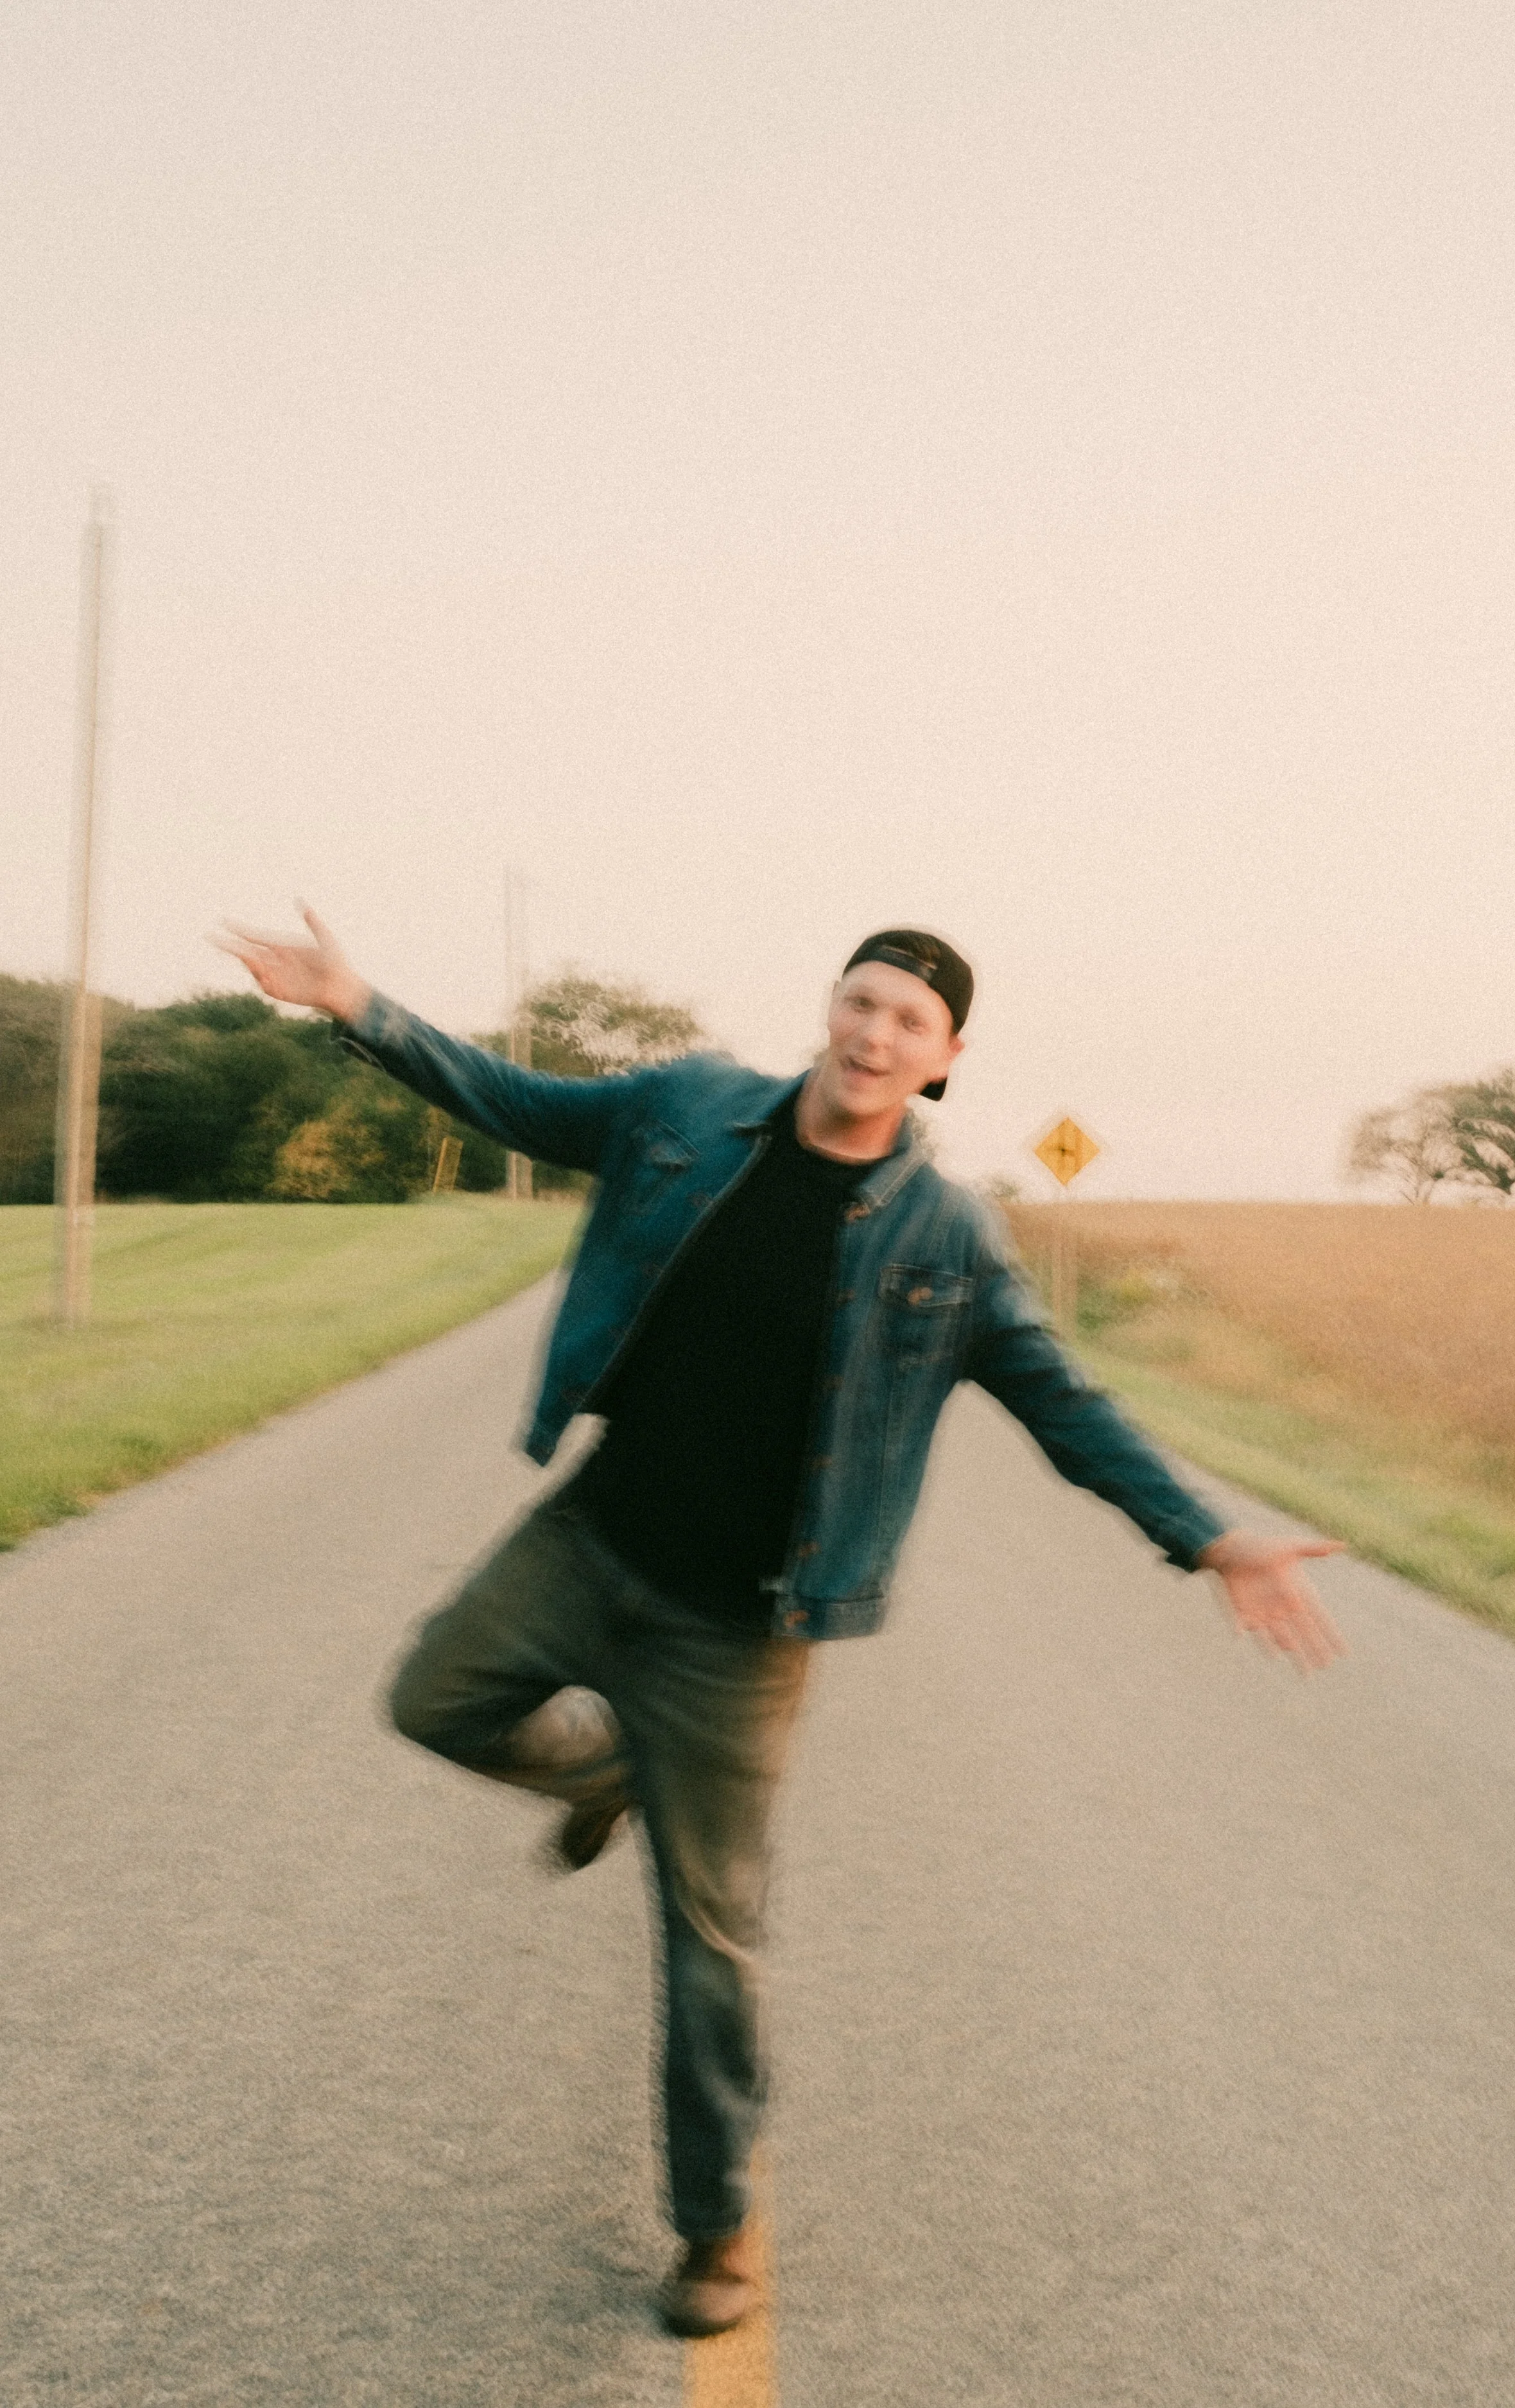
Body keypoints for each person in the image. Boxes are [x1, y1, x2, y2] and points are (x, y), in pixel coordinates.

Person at [222, 907, 1343, 2337]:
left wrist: (1209, 1536)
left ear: (944, 1060)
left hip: (742, 1631)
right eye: (862, 1003)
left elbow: (1069, 1408)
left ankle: (715, 2229)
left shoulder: (946, 1236)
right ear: (830, 1006)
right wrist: (356, 1005)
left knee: (711, 1943)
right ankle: (604, 1768)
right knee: (430, 1699)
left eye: (910, 1024)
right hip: (592, 1537)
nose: (876, 1036)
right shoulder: (686, 1108)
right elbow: (511, 1102)